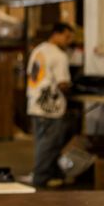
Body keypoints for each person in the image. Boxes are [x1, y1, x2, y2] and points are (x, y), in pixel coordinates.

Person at [26, 22, 75, 188]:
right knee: (49, 145)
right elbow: (63, 84)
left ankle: (52, 175)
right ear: (56, 34)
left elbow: (32, 75)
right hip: (51, 108)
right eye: (67, 36)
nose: (68, 41)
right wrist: (73, 91)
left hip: (35, 103)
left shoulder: (38, 50)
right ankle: (39, 179)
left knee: (42, 144)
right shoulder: (59, 56)